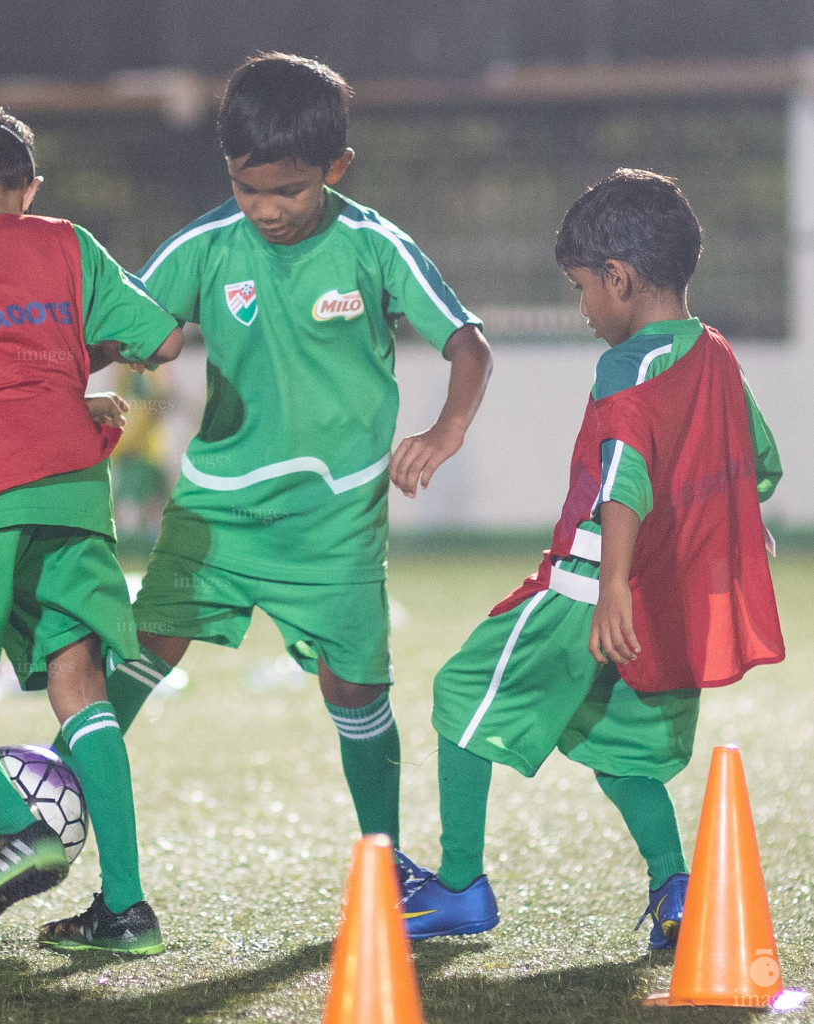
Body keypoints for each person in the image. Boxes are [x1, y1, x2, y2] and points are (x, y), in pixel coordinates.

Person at [53, 54, 492, 870]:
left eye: (288, 190)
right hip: (216, 510)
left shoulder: (372, 246)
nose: (267, 210)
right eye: (248, 189)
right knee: (142, 651)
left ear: (335, 168)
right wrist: (63, 381)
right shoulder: (208, 244)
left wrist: (446, 429)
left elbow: (467, 343)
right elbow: (123, 328)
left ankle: (382, 860)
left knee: (355, 692)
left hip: (336, 523)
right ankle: (47, 809)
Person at [400, 170, 783, 948]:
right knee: (625, 756)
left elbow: (622, 480)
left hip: (585, 588)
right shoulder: (715, 354)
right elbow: (758, 460)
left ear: (619, 278)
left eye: (581, 288)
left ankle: (459, 887)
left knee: (459, 697)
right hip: (662, 597)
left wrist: (609, 587)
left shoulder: (627, 365)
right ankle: (676, 894)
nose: (581, 309)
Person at [0, 102, 182, 953]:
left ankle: (17, 828)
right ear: (31, 188)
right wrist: (73, 380)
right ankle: (125, 909)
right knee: (77, 680)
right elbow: (158, 342)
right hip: (73, 486)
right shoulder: (68, 242)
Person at [109, 361, 172, 559]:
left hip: (147, 451)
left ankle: (153, 544)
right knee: (126, 500)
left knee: (150, 501)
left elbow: (160, 399)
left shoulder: (153, 366)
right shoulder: (123, 366)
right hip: (128, 450)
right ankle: (129, 544)